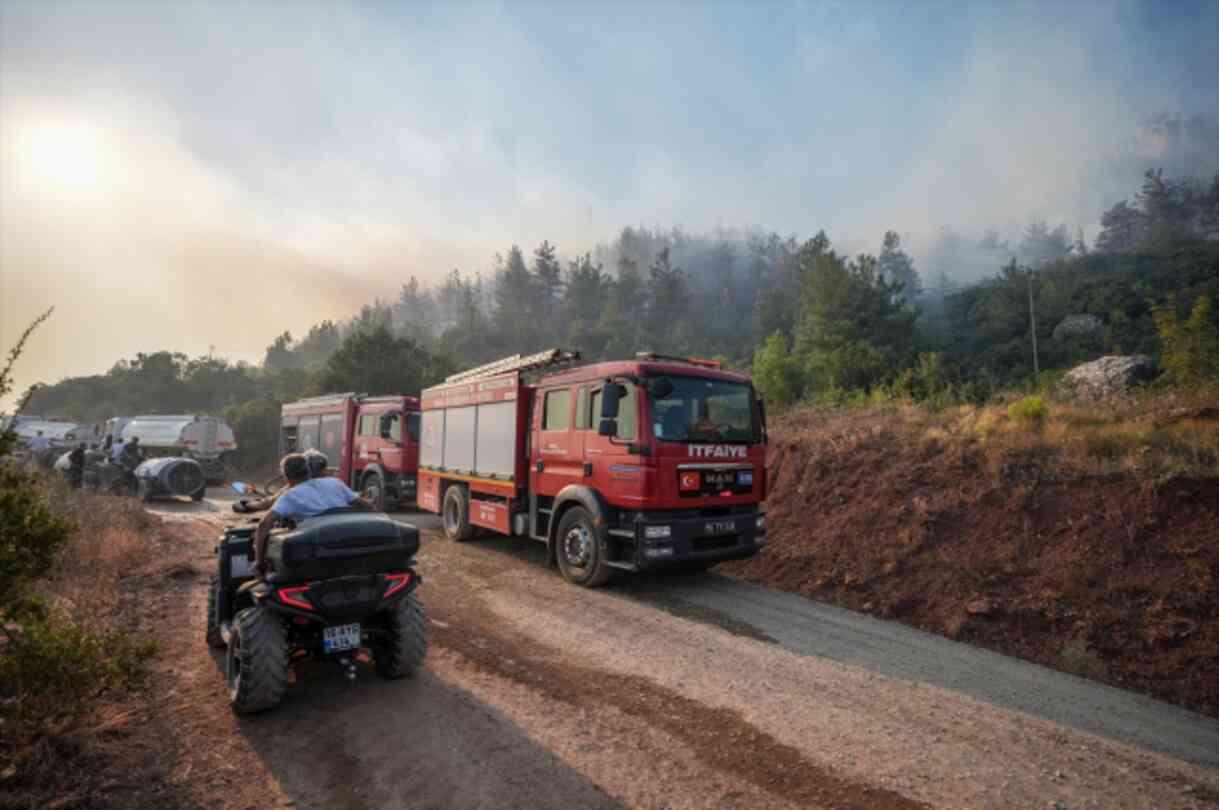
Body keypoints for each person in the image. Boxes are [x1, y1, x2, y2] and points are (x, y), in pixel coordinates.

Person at [253, 453, 374, 577]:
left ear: (286, 476)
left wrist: (259, 563)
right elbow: (368, 506)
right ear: (308, 471)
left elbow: (264, 524)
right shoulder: (335, 483)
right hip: (348, 548)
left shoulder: (290, 496)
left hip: (317, 556)